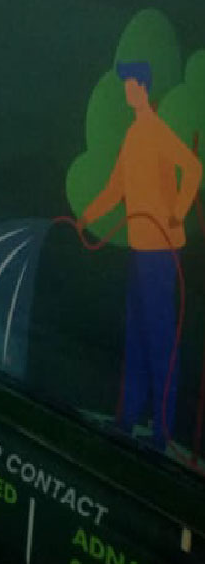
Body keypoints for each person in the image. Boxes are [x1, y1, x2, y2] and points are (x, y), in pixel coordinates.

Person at [78, 60, 203, 450]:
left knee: (160, 338)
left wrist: (177, 212)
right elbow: (116, 189)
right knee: (137, 334)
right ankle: (128, 419)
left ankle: (162, 433)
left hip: (160, 255)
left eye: (131, 84)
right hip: (139, 252)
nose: (127, 91)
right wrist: (86, 217)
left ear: (143, 88)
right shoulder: (133, 136)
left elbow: (194, 168)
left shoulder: (155, 131)